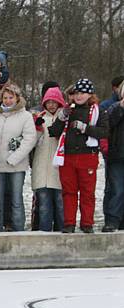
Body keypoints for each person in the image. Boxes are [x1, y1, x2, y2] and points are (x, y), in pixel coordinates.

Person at [48, 79, 108, 233]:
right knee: (69, 192)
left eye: (83, 93)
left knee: (87, 192)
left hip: (87, 156)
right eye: (76, 93)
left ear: (90, 94)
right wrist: (61, 117)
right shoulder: (68, 110)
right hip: (67, 157)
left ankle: (87, 223)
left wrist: (86, 128)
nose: (79, 96)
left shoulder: (97, 111)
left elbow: (104, 132)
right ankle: (69, 223)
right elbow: (53, 132)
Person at [0, 82, 35, 231]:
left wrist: (14, 158)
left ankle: (18, 227)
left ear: (17, 98)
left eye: (11, 97)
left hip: (16, 165)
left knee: (16, 198)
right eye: (5, 98)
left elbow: (29, 139)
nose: (7, 100)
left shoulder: (25, 116)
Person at [31, 86, 66, 232]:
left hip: (58, 167)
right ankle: (44, 232)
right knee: (44, 204)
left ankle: (62, 230)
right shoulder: (40, 118)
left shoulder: (64, 117)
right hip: (41, 166)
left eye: (54, 102)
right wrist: (37, 128)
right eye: (48, 102)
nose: (51, 105)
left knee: (60, 203)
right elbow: (33, 143)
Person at [104, 81, 124, 231]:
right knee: (116, 189)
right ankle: (112, 220)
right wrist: (121, 108)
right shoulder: (113, 108)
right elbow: (107, 124)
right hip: (117, 155)